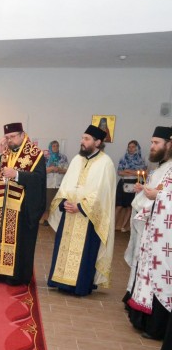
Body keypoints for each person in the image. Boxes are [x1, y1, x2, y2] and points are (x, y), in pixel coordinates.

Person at [47, 125, 116, 296]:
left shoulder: (106, 163)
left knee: (85, 252)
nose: (82, 141)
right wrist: (64, 202)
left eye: (86, 139)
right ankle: (60, 281)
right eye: (82, 138)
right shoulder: (77, 159)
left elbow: (103, 193)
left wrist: (80, 206)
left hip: (88, 217)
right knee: (63, 248)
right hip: (69, 213)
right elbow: (66, 184)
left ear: (97, 142)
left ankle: (80, 286)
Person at [123, 126, 172, 338]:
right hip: (152, 232)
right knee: (147, 274)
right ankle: (143, 319)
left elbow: (166, 198)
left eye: (156, 143)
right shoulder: (161, 169)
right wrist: (144, 192)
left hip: (165, 238)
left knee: (161, 277)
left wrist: (156, 196)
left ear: (169, 144)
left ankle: (157, 326)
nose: (152, 146)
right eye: (152, 142)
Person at [0, 123, 46, 285]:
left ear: (22, 135)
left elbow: (39, 180)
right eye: (7, 137)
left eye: (12, 137)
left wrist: (17, 175)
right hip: (0, 205)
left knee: (19, 241)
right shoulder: (4, 152)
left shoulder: (35, 154)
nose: (9, 140)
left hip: (22, 208)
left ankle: (15, 275)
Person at [115, 140, 146, 232]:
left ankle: (123, 226)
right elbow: (120, 172)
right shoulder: (123, 158)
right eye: (129, 147)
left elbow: (143, 173)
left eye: (133, 147)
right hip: (123, 183)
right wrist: (135, 172)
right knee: (119, 206)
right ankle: (113, 225)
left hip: (135, 183)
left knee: (130, 206)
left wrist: (128, 171)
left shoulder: (141, 160)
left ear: (137, 148)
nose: (131, 149)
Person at [39, 140, 69, 225]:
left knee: (57, 203)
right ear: (50, 147)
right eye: (53, 146)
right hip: (49, 184)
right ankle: (45, 219)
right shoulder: (45, 157)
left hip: (59, 184)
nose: (55, 147)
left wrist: (59, 169)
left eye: (57, 146)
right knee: (47, 203)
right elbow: (41, 171)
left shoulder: (63, 157)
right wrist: (51, 169)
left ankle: (54, 221)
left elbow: (67, 170)